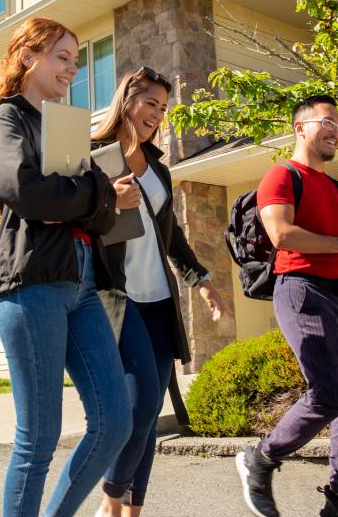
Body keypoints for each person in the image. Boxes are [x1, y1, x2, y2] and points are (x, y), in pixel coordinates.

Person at [0, 17, 131, 517]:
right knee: (38, 437)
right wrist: (100, 193)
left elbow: (98, 219)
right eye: (62, 57)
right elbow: (29, 193)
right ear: (27, 58)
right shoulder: (6, 120)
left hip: (81, 282)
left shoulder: (63, 125)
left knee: (114, 422)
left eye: (76, 61)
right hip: (31, 282)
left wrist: (95, 200)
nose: (71, 69)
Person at [236, 95, 338, 517]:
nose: (336, 131)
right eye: (328, 121)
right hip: (302, 289)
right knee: (329, 393)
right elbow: (282, 235)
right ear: (300, 128)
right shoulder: (281, 175)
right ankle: (261, 458)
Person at [89, 67, 230, 517]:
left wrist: (200, 280)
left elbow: (172, 236)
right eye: (151, 103)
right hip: (118, 299)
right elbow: (79, 220)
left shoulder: (160, 170)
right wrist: (109, 200)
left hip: (159, 300)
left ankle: (134, 507)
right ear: (128, 100)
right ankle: (111, 499)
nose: (157, 115)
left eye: (164, 108)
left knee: (150, 413)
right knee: (139, 401)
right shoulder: (93, 155)